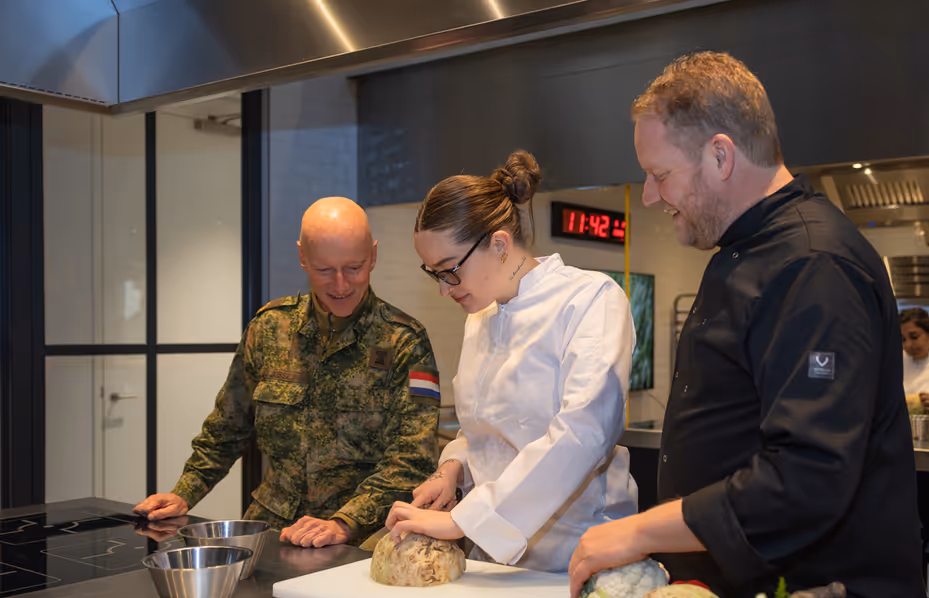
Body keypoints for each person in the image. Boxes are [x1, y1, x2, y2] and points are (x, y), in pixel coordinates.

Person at [567, 52, 928, 598]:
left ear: (720, 154)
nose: (652, 198)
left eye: (659, 175)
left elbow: (807, 476)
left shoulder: (813, 266)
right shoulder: (746, 253)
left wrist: (640, 532)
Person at [383, 151, 638, 573]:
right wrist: (453, 469)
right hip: (493, 560)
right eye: (434, 274)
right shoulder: (481, 317)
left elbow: (583, 433)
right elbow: (485, 431)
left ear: (500, 244)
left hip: (577, 555)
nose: (445, 291)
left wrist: (464, 520)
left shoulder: (590, 298)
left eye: (450, 271)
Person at [133, 197, 440, 548]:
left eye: (354, 268)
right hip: (270, 529)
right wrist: (185, 493)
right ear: (302, 258)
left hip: (358, 537)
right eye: (325, 270)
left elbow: (412, 458)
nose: (340, 284)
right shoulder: (269, 328)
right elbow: (226, 427)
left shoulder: (404, 342)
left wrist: (345, 521)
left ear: (373, 255)